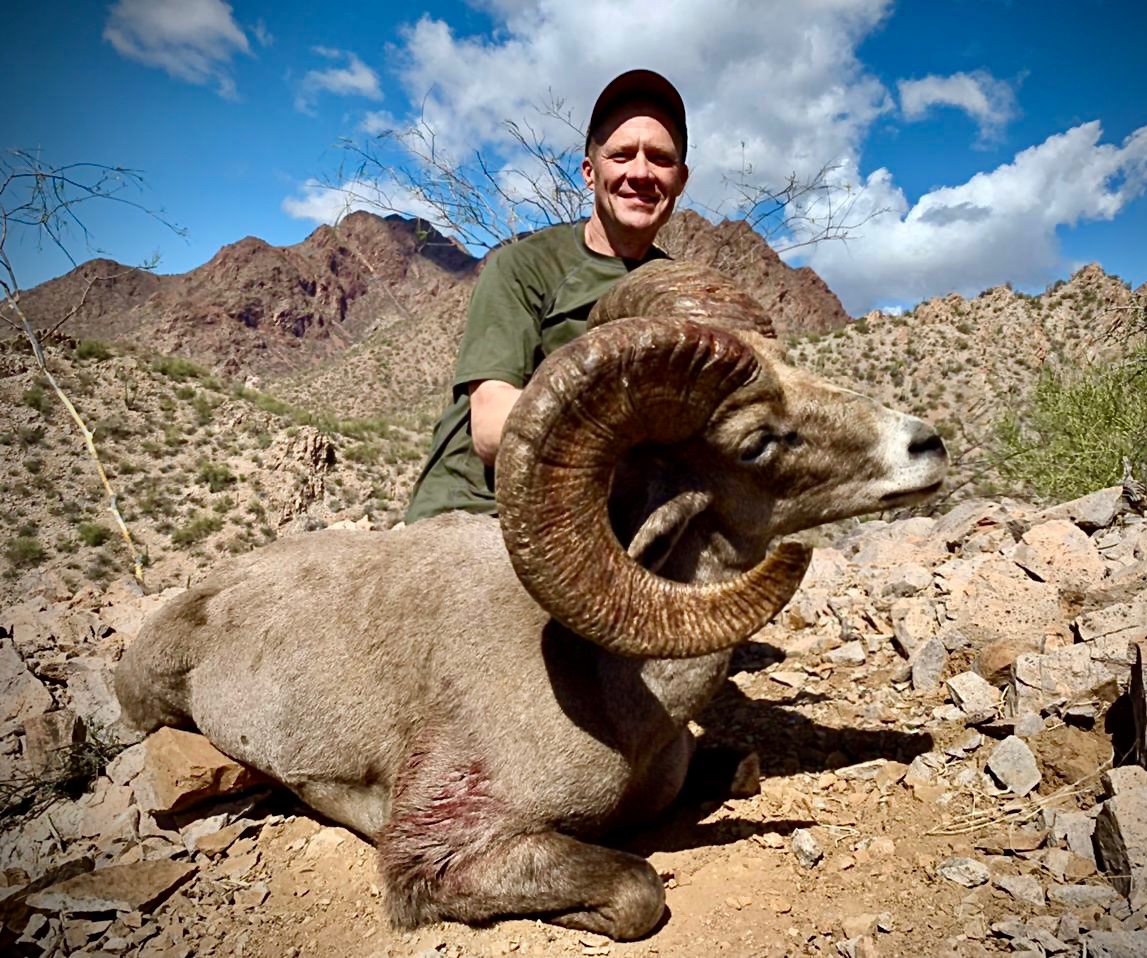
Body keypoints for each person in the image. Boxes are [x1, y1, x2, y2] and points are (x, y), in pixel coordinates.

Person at [404, 69, 690, 523]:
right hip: (481, 513)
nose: (640, 172)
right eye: (621, 155)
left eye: (659, 158)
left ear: (680, 179)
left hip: (603, 517)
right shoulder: (523, 267)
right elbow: (493, 427)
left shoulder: (683, 295)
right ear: (589, 172)